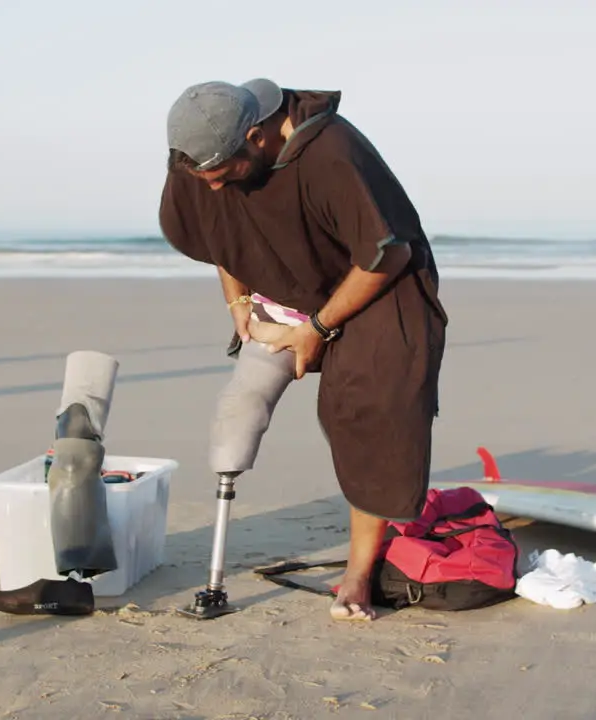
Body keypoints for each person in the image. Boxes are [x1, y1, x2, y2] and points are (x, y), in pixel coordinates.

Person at [158, 78, 449, 620]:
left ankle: (358, 575)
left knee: (368, 410)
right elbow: (220, 231)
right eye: (206, 179)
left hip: (377, 281)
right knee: (242, 405)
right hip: (287, 281)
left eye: (222, 177)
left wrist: (317, 329)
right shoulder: (202, 156)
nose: (215, 189)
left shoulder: (333, 154)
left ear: (257, 137)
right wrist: (238, 299)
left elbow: (386, 256)